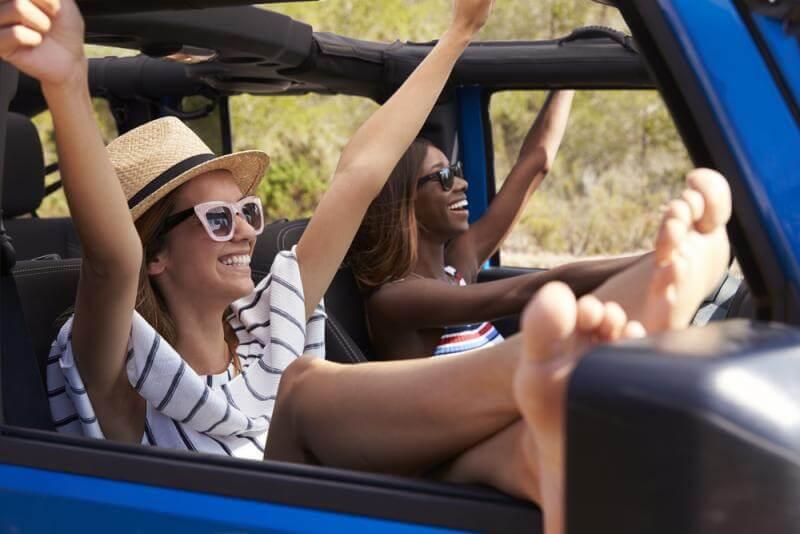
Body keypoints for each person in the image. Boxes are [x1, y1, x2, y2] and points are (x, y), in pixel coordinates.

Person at [0, 1, 733, 533]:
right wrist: (67, 86)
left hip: (336, 504)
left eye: (249, 214)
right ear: (155, 255)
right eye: (217, 219)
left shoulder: (267, 319)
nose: (244, 233)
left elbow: (359, 175)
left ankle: (530, 458)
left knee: (477, 456)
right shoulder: (119, 364)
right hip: (232, 518)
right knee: (305, 392)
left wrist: (458, 35)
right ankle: (576, 366)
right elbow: (107, 260)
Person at [350, 129, 652, 359]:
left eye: (455, 171)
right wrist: (664, 257)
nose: (461, 183)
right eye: (443, 176)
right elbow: (531, 289)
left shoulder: (454, 273)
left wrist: (568, 78)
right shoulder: (396, 298)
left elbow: (535, 164)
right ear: (404, 200)